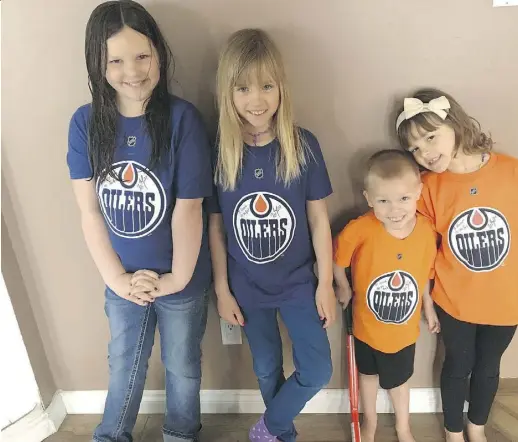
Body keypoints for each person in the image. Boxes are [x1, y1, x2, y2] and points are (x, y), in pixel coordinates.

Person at [66, 2, 212, 441]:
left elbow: (189, 208)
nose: (132, 70)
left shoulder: (184, 119)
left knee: (183, 365)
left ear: (159, 54)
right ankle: (111, 436)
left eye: (142, 56)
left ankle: (181, 434)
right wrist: (116, 279)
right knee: (124, 362)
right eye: (115, 60)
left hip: (182, 279)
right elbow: (89, 211)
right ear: (98, 63)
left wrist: (175, 279)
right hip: (122, 279)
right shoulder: (85, 123)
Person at [208, 28, 336, 442]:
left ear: (282, 87)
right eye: (243, 88)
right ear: (227, 92)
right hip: (247, 287)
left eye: (267, 85)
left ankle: (271, 426)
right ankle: (282, 434)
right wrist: (223, 290)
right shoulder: (220, 153)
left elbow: (319, 221)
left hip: (299, 282)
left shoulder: (304, 146)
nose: (256, 99)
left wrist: (327, 284)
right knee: (265, 367)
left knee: (317, 369)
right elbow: (216, 229)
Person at [395, 88, 518, 442]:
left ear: (455, 123)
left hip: (508, 298)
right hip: (455, 300)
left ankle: (476, 428)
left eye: (430, 137)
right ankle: (453, 431)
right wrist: (427, 301)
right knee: (457, 365)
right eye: (414, 148)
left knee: (489, 367)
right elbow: (424, 251)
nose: (425, 153)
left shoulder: (513, 171)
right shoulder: (428, 187)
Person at [333, 150, 440, 442]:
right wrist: (342, 286)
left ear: (418, 192)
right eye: (383, 201)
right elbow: (337, 259)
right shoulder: (360, 229)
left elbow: (422, 275)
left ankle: (403, 427)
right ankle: (370, 422)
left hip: (403, 332)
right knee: (367, 377)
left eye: (404, 199)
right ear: (368, 198)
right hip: (365, 327)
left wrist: (428, 306)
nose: (394, 209)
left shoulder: (427, 231)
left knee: (399, 382)